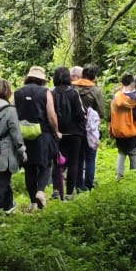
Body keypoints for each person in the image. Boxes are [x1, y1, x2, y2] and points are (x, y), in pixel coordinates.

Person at [13, 65, 57, 209]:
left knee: (29, 168)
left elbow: (12, 113)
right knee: (46, 164)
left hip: (24, 135)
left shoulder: (17, 92)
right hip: (43, 133)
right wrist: (56, 130)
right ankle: (40, 191)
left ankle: (32, 203)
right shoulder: (46, 92)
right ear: (42, 80)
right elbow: (51, 114)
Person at [50, 66, 87, 199]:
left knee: (57, 162)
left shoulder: (51, 93)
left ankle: (56, 190)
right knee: (73, 162)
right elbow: (80, 114)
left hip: (57, 133)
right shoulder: (73, 93)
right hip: (74, 133)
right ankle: (69, 192)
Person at [0, 78, 21, 216]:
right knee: (1, 181)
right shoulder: (10, 110)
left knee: (2, 181)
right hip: (5, 151)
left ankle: (8, 207)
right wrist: (22, 150)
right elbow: (16, 133)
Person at [71, 67, 103, 192]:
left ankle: (78, 184)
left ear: (82, 75)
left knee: (78, 157)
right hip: (91, 130)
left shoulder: (73, 88)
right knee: (90, 156)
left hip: (75, 127)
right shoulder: (96, 90)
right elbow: (101, 111)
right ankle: (89, 184)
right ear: (94, 77)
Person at [111, 73, 136, 179]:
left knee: (121, 152)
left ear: (122, 83)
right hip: (131, 130)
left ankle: (118, 175)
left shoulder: (116, 97)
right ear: (132, 83)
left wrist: (111, 130)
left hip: (118, 130)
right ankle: (133, 175)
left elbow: (110, 115)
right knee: (133, 153)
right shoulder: (135, 98)